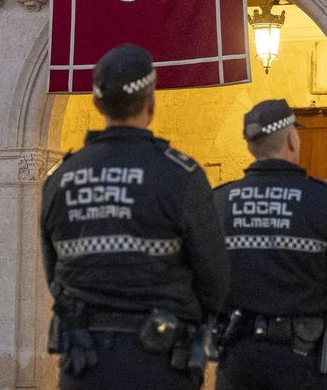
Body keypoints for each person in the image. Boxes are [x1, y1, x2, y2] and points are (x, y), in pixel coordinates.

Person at [41, 43, 230, 388]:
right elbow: (214, 276)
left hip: (84, 364)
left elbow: (54, 272)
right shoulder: (179, 174)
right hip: (158, 363)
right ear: (151, 100)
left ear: (97, 102)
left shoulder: (60, 178)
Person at [214, 100, 327, 390]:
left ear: (252, 146)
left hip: (238, 361)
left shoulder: (220, 202)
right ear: (291, 139)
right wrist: (325, 321)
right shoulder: (323, 200)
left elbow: (200, 278)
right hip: (303, 362)